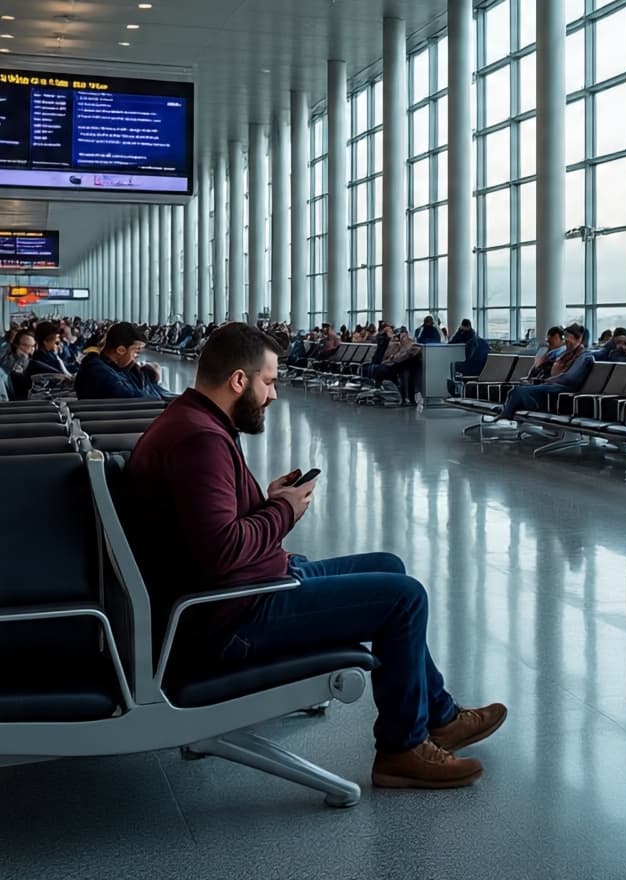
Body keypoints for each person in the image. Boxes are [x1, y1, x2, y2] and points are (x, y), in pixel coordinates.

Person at [126, 323, 506, 789]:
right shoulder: (199, 441)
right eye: (269, 382)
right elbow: (221, 551)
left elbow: (205, 530)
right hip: (231, 619)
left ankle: (440, 716)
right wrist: (283, 511)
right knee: (403, 598)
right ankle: (401, 748)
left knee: (389, 566)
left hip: (240, 590)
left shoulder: (192, 422)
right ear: (239, 381)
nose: (274, 396)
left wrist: (266, 500)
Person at [498, 323, 590, 419]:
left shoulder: (584, 357)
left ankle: (507, 414)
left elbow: (570, 378)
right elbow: (551, 370)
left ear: (579, 339)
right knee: (516, 390)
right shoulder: (567, 355)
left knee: (518, 391)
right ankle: (508, 412)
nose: (565, 341)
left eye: (568, 338)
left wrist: (549, 380)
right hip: (554, 386)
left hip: (563, 390)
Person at [74, 321, 169, 400]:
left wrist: (144, 373)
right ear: (121, 350)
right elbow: (134, 397)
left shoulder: (114, 367)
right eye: (135, 351)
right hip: (126, 419)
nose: (136, 358)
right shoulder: (95, 369)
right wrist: (143, 376)